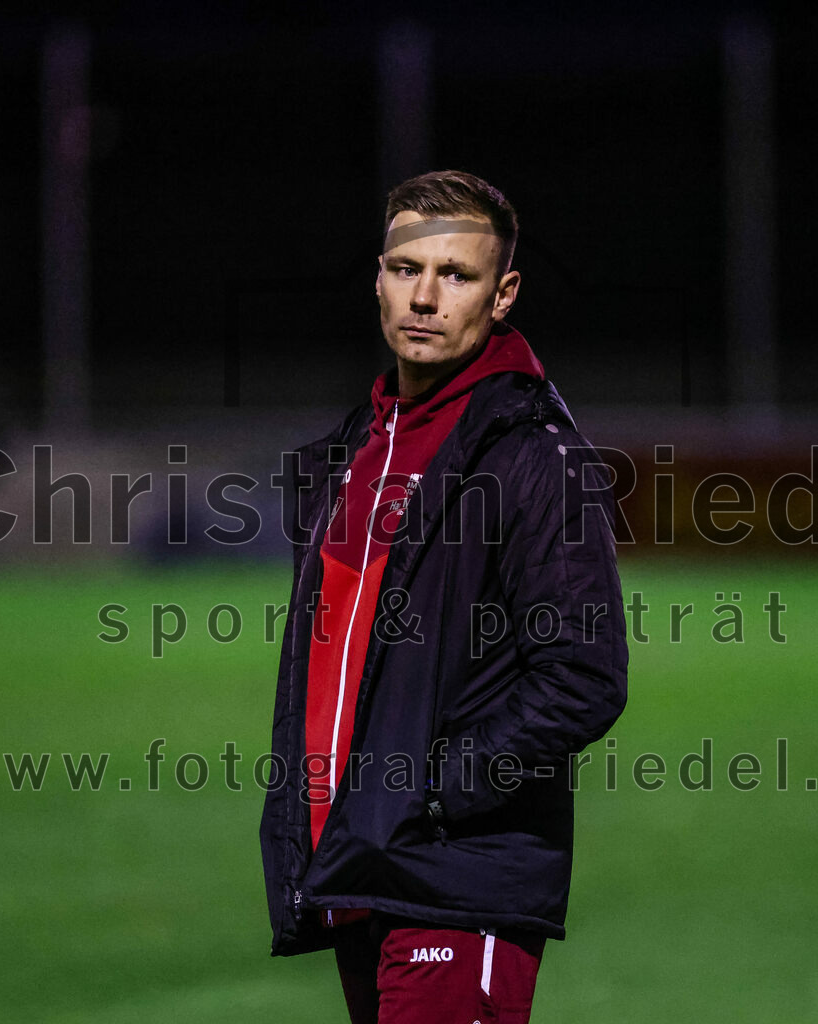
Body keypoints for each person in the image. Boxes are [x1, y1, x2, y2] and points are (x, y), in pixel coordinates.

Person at [261, 169, 628, 1023]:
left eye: (456, 275)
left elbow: (582, 676)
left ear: (502, 296)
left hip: (456, 873)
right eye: (405, 269)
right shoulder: (347, 457)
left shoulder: (536, 458)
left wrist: (426, 793)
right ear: (379, 277)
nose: (425, 297)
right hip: (357, 863)